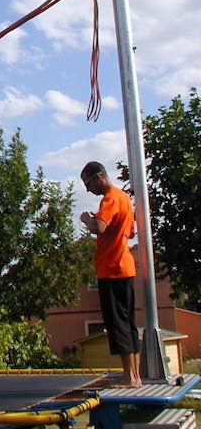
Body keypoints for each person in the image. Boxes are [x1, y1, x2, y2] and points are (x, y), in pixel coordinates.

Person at [80, 161, 141, 388]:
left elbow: (99, 227)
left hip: (112, 269)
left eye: (87, 184)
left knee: (117, 324)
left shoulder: (110, 198)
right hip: (125, 267)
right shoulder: (124, 198)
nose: (88, 189)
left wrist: (87, 219)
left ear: (98, 178)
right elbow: (131, 231)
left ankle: (129, 377)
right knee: (128, 323)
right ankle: (135, 375)